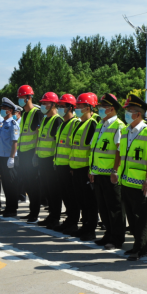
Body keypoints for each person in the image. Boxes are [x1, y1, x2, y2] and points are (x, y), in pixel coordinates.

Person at [113, 93, 147, 261]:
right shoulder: (125, 131)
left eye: (129, 110)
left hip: (140, 183)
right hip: (125, 180)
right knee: (131, 217)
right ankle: (139, 245)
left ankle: (139, 248)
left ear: (138, 114)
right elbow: (120, 153)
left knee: (141, 218)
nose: (126, 113)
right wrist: (115, 171)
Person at [89, 93, 126, 250]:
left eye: (103, 107)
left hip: (110, 174)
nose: (100, 109)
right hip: (98, 173)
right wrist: (91, 170)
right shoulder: (100, 124)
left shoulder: (118, 125)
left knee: (114, 208)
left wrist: (115, 170)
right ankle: (108, 234)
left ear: (111, 109)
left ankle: (117, 238)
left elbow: (119, 151)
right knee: (103, 207)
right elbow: (94, 149)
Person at [70, 93, 99, 241]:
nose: (77, 108)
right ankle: (84, 227)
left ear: (88, 107)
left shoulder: (92, 124)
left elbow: (93, 149)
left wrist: (91, 169)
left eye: (80, 106)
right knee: (81, 200)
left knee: (89, 202)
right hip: (76, 168)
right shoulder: (78, 123)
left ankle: (90, 229)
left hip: (86, 169)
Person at [35, 92, 63, 228]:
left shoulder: (57, 120)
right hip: (42, 160)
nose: (42, 105)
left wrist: (55, 161)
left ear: (53, 104)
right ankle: (51, 216)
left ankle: (55, 218)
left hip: (51, 161)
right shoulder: (45, 119)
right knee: (47, 190)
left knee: (54, 191)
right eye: (42, 103)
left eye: (45, 103)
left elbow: (58, 143)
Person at [53, 94, 80, 234]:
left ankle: (73, 223)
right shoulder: (63, 123)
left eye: (62, 106)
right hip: (60, 165)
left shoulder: (75, 123)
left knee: (71, 197)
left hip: (68, 167)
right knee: (66, 197)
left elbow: (74, 147)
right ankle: (69, 221)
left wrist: (71, 166)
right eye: (59, 106)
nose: (60, 108)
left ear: (70, 107)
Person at [16, 85, 44, 224]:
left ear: (29, 97)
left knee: (34, 185)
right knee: (27, 184)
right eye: (19, 98)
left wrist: (35, 154)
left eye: (22, 97)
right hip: (22, 154)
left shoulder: (37, 113)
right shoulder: (25, 114)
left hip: (31, 154)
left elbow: (38, 135)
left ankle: (35, 213)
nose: (20, 100)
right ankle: (31, 211)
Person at [0, 98, 20, 217]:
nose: (2, 110)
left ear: (10, 110)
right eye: (1, 108)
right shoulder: (3, 124)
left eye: (4, 109)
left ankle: (13, 209)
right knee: (5, 184)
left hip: (10, 158)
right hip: (2, 156)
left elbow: (14, 142)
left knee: (11, 184)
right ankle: (8, 207)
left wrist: (12, 158)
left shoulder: (12, 124)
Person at [15, 106, 27, 203]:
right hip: (17, 152)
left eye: (15, 112)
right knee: (17, 175)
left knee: (21, 175)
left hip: (21, 151)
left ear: (19, 113)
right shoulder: (16, 122)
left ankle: (22, 194)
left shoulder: (21, 122)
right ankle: (18, 193)